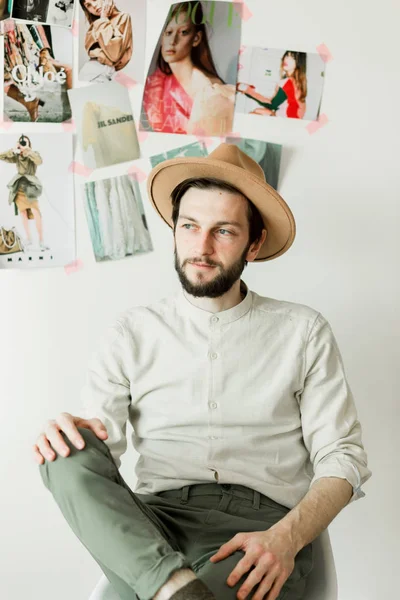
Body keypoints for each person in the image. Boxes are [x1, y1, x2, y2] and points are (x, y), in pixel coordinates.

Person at [33, 144, 371, 600]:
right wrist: (70, 436)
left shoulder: (303, 331)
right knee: (62, 452)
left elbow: (342, 457)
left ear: (254, 242)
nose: (201, 247)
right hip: (153, 528)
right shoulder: (130, 332)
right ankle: (173, 585)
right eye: (189, 226)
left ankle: (169, 589)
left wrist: (286, 539)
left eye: (224, 231)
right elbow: (101, 452)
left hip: (256, 534)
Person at [141, 1, 236, 136]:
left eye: (183, 32)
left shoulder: (213, 92)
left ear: (196, 38)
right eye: (168, 32)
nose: (173, 40)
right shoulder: (153, 84)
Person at [0, 135, 50, 251]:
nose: (22, 145)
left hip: (30, 188)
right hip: (19, 188)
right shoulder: (17, 156)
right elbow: (1, 156)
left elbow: (39, 161)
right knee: (23, 213)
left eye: (24, 143)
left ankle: (41, 240)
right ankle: (29, 238)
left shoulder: (33, 154)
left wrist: (28, 150)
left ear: (29, 144)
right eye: (20, 143)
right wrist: (13, 150)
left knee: (36, 212)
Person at [236, 51, 307, 119]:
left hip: (287, 120)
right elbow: (276, 102)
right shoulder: (296, 80)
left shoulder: (288, 83)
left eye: (292, 58)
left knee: (252, 115)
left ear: (299, 63)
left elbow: (272, 105)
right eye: (287, 55)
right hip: (288, 116)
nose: (286, 59)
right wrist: (249, 92)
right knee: (257, 111)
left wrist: (249, 91)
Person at [79, 0, 133, 83]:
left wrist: (104, 19)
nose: (94, 5)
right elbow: (89, 48)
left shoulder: (123, 17)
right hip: (90, 72)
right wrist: (103, 19)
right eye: (88, 5)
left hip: (102, 73)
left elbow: (114, 54)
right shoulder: (96, 23)